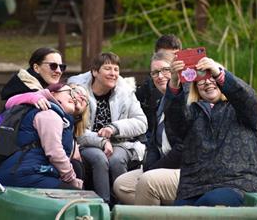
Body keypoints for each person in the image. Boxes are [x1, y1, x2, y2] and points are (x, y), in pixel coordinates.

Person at [164, 56, 257, 206]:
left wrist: (218, 72)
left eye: (212, 77)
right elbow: (174, 121)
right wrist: (174, 81)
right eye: (201, 79)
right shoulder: (191, 112)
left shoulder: (241, 109)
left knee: (209, 202)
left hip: (238, 184)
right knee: (179, 211)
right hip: (193, 188)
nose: (207, 82)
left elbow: (248, 97)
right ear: (196, 87)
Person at [68, 52, 148, 204]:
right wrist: (102, 142)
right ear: (95, 72)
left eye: (116, 69)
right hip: (87, 142)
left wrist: (114, 128)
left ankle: (123, 206)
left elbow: (142, 122)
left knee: (116, 160)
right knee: (99, 158)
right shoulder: (79, 92)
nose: (113, 74)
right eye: (108, 69)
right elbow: (76, 129)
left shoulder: (125, 92)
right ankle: (102, 205)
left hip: (120, 143)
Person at [113, 52, 182, 205]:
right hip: (161, 164)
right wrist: (149, 165)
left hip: (182, 167)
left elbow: (182, 148)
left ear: (175, 71)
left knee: (147, 182)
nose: (160, 76)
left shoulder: (185, 100)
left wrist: (155, 169)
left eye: (165, 70)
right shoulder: (159, 102)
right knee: (121, 185)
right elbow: (152, 142)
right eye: (155, 73)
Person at [0, 83, 84, 189]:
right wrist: (72, 180)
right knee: (75, 190)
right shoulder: (49, 114)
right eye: (70, 93)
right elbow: (55, 153)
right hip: (23, 174)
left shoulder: (61, 119)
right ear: (53, 94)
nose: (73, 98)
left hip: (23, 171)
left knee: (77, 168)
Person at [135, 34, 182, 142]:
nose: (171, 60)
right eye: (163, 55)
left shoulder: (190, 87)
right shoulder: (148, 88)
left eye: (174, 56)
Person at [0, 47, 66, 100]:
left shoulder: (49, 89)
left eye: (61, 67)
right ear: (36, 68)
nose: (59, 71)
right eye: (53, 66)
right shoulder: (28, 96)